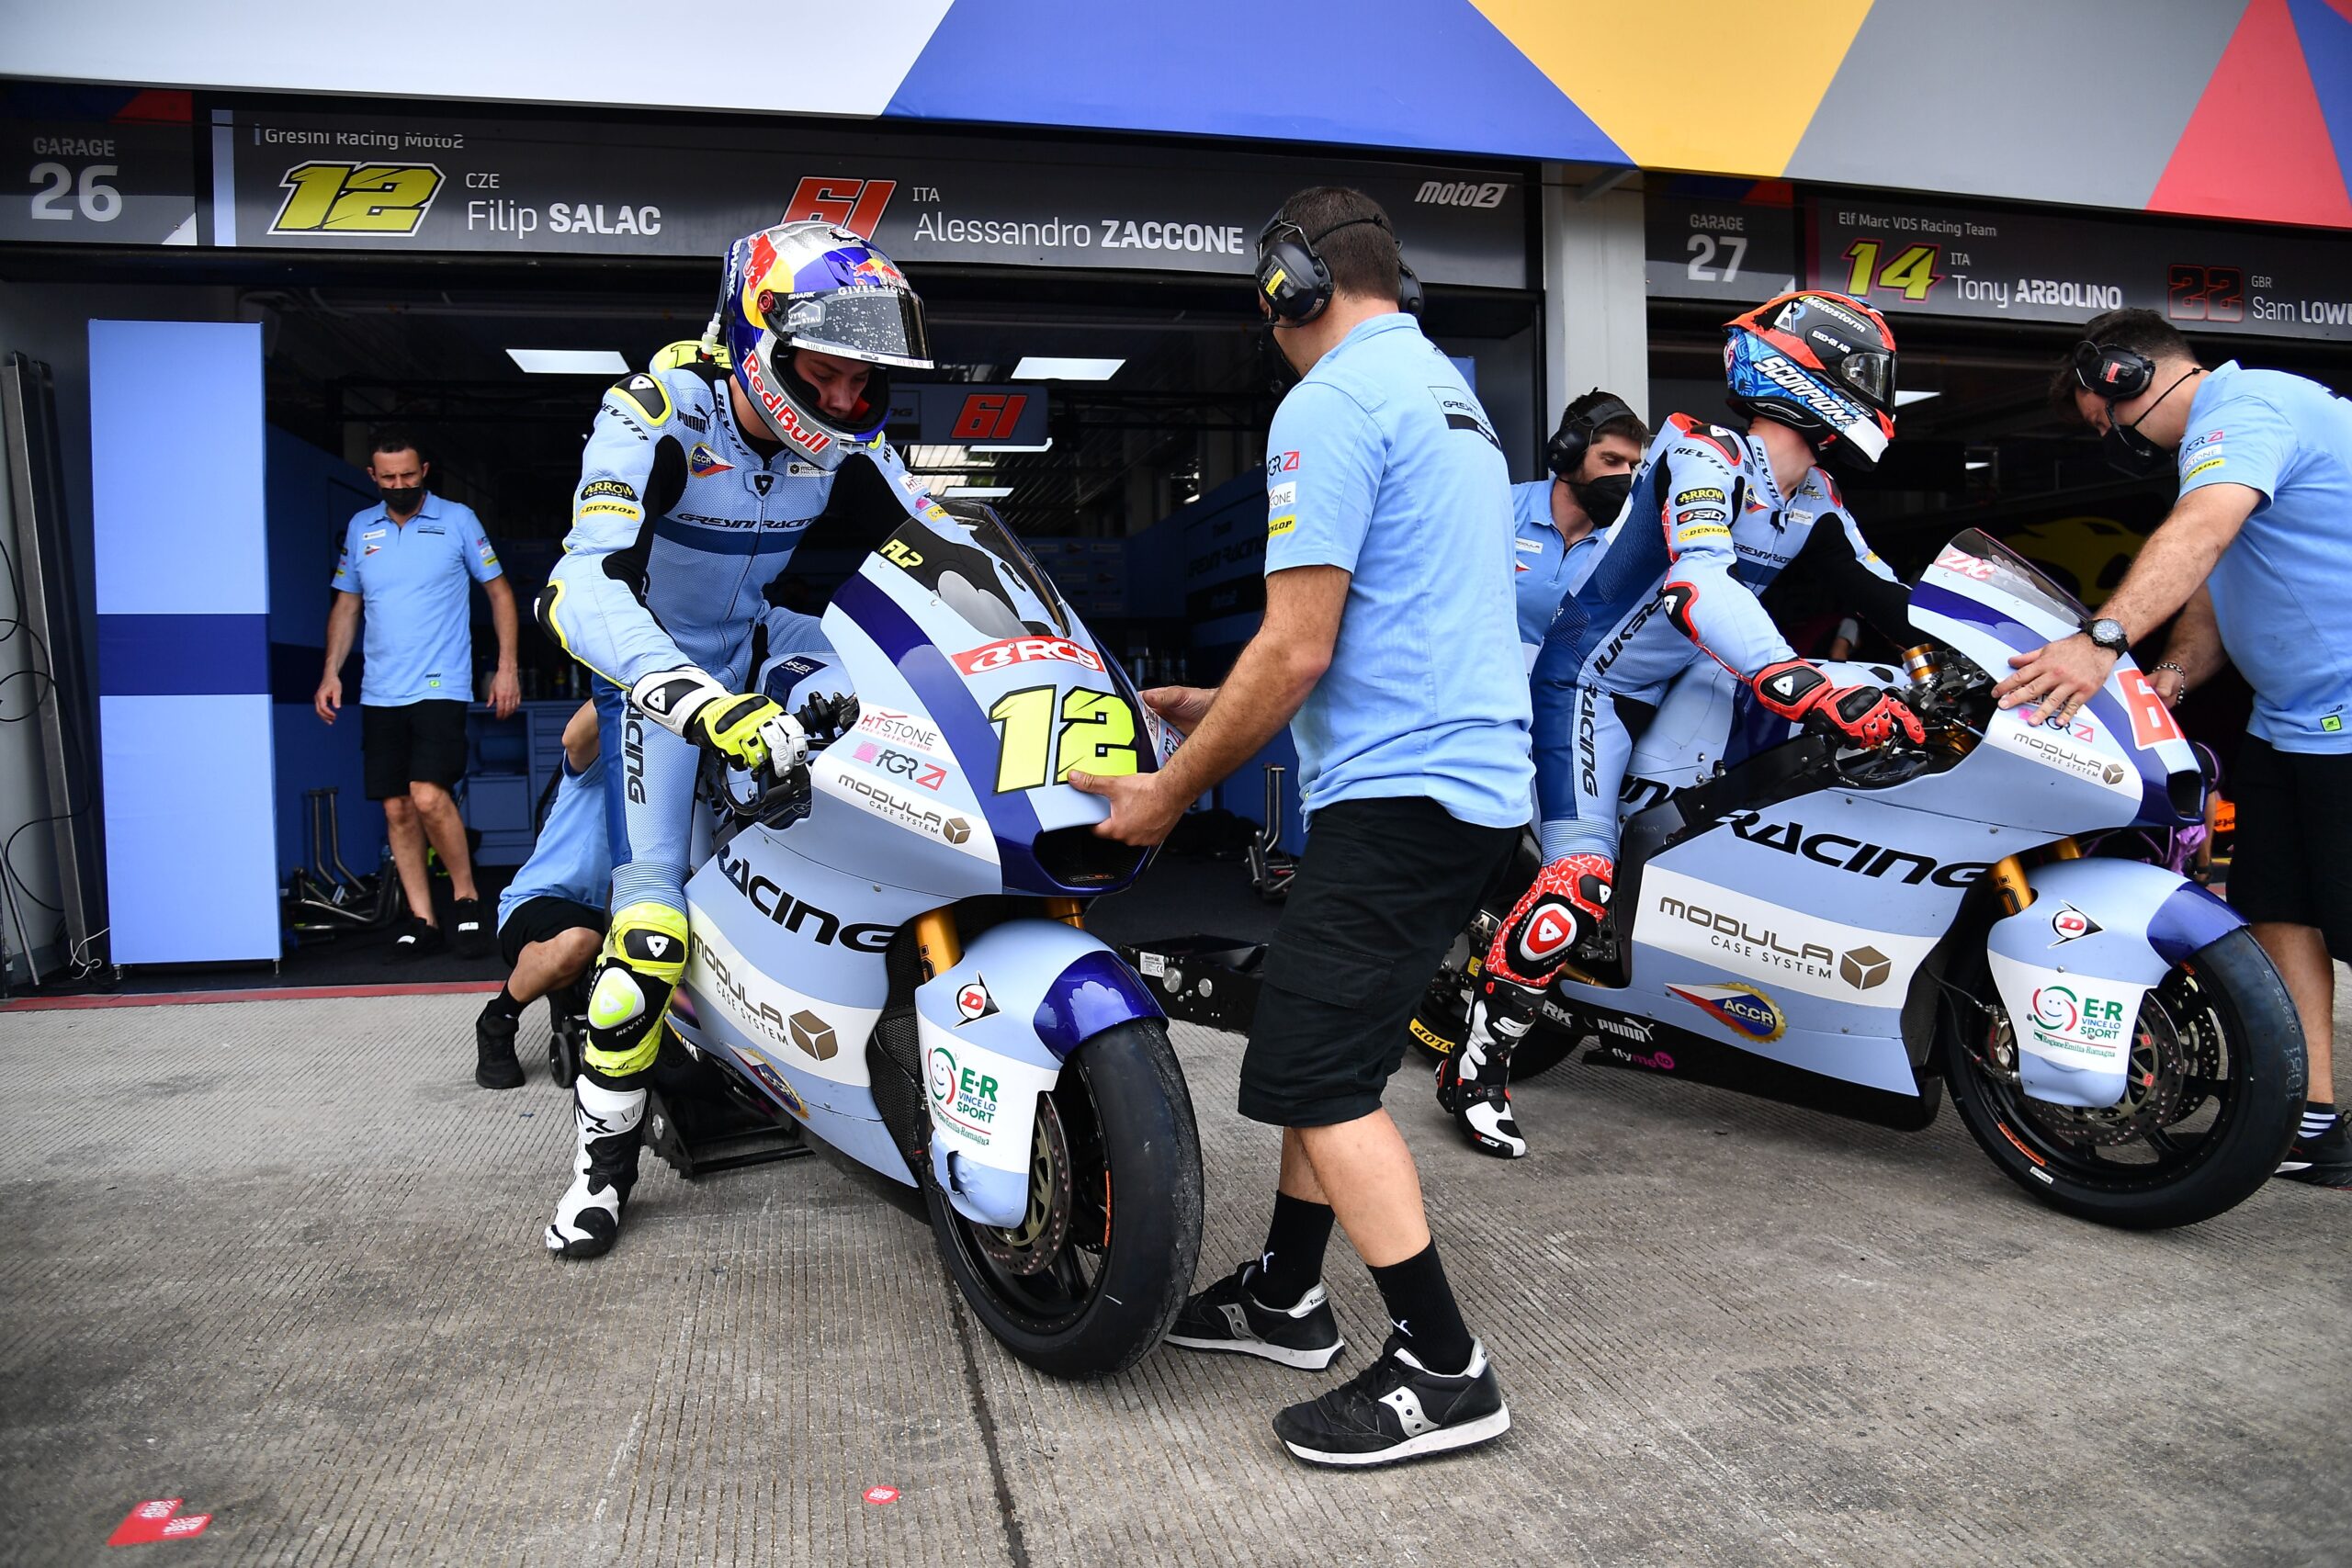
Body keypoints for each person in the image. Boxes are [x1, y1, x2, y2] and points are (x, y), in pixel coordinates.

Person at [1074, 186, 1527, 1467]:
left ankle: (1442, 1367)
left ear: (1290, 286)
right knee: (1322, 1041)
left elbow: (1298, 645)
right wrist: (1215, 703)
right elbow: (1379, 625)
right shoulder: (1445, 397)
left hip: (1403, 793)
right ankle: (1284, 1292)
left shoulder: (1328, 403)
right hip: (1461, 787)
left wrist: (1169, 788)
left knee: (1314, 1076)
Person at [1439, 291, 1924, 1159]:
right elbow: (1696, 584)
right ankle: (1474, 1067)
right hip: (1592, 686)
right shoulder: (1702, 451)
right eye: (1866, 372)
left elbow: (1890, 597)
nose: (1876, 389)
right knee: (1579, 880)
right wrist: (1803, 682)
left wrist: (2010, 662)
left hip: (1698, 683)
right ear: (1810, 371)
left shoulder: (1816, 495)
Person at [534, 220, 931, 1258]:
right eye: (823, 374)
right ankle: (600, 1169)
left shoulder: (855, 440)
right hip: (660, 672)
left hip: (769, 644)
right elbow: (577, 588)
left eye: (863, 381)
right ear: (755, 340)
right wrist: (700, 704)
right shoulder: (654, 410)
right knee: (649, 932)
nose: (843, 399)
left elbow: (949, 546)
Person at [2002, 308, 2352, 1188]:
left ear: (2125, 373)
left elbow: (2201, 534)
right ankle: (2311, 1120)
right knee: (2279, 908)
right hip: (2290, 722)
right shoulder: (2221, 446)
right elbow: (2214, 590)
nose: (2112, 437)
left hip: (2346, 719)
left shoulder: (2247, 409)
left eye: (2105, 417)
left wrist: (2100, 640)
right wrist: (2170, 679)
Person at [313, 429, 519, 962]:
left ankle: (467, 901)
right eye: (389, 477)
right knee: (398, 807)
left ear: (424, 470)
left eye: (408, 474)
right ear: (373, 476)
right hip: (380, 690)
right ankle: (422, 919)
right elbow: (347, 606)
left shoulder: (458, 520)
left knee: (429, 795)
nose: (400, 484)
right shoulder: (361, 528)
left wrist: (507, 669)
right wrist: (331, 673)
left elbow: (499, 594)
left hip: (440, 684)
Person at [475, 701, 611, 1090]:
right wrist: (633, 676)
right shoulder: (607, 762)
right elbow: (574, 738)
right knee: (579, 942)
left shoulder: (682, 778)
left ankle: (571, 994)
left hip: (617, 908)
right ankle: (498, 1020)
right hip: (545, 899)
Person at [1510, 389, 1649, 666]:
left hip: (1565, 687)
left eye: (1631, 466)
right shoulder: (1503, 507)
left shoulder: (1627, 540)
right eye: (1611, 460)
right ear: (1568, 455)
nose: (1624, 475)